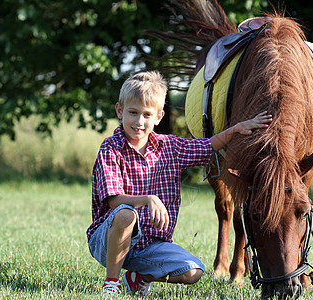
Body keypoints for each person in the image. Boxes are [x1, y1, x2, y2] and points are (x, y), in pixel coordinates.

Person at [86, 71, 272, 297]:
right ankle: (111, 283)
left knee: (193, 271)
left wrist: (236, 128)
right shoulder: (111, 148)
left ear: (159, 117)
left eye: (147, 114)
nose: (139, 122)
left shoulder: (170, 147)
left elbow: (208, 145)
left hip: (150, 245)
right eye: (132, 113)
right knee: (126, 214)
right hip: (108, 241)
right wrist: (148, 199)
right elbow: (114, 200)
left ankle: (138, 277)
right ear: (119, 111)